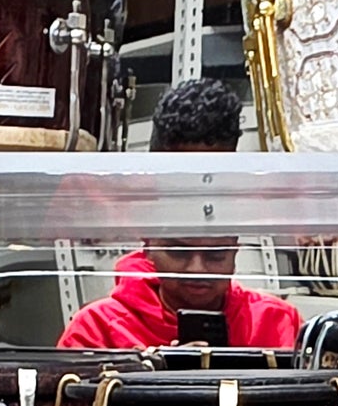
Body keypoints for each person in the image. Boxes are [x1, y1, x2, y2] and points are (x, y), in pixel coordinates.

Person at [55, 76, 302, 350]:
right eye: (179, 252)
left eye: (216, 255)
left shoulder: (277, 322)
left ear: (235, 248)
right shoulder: (95, 331)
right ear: (148, 244)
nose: (197, 269)